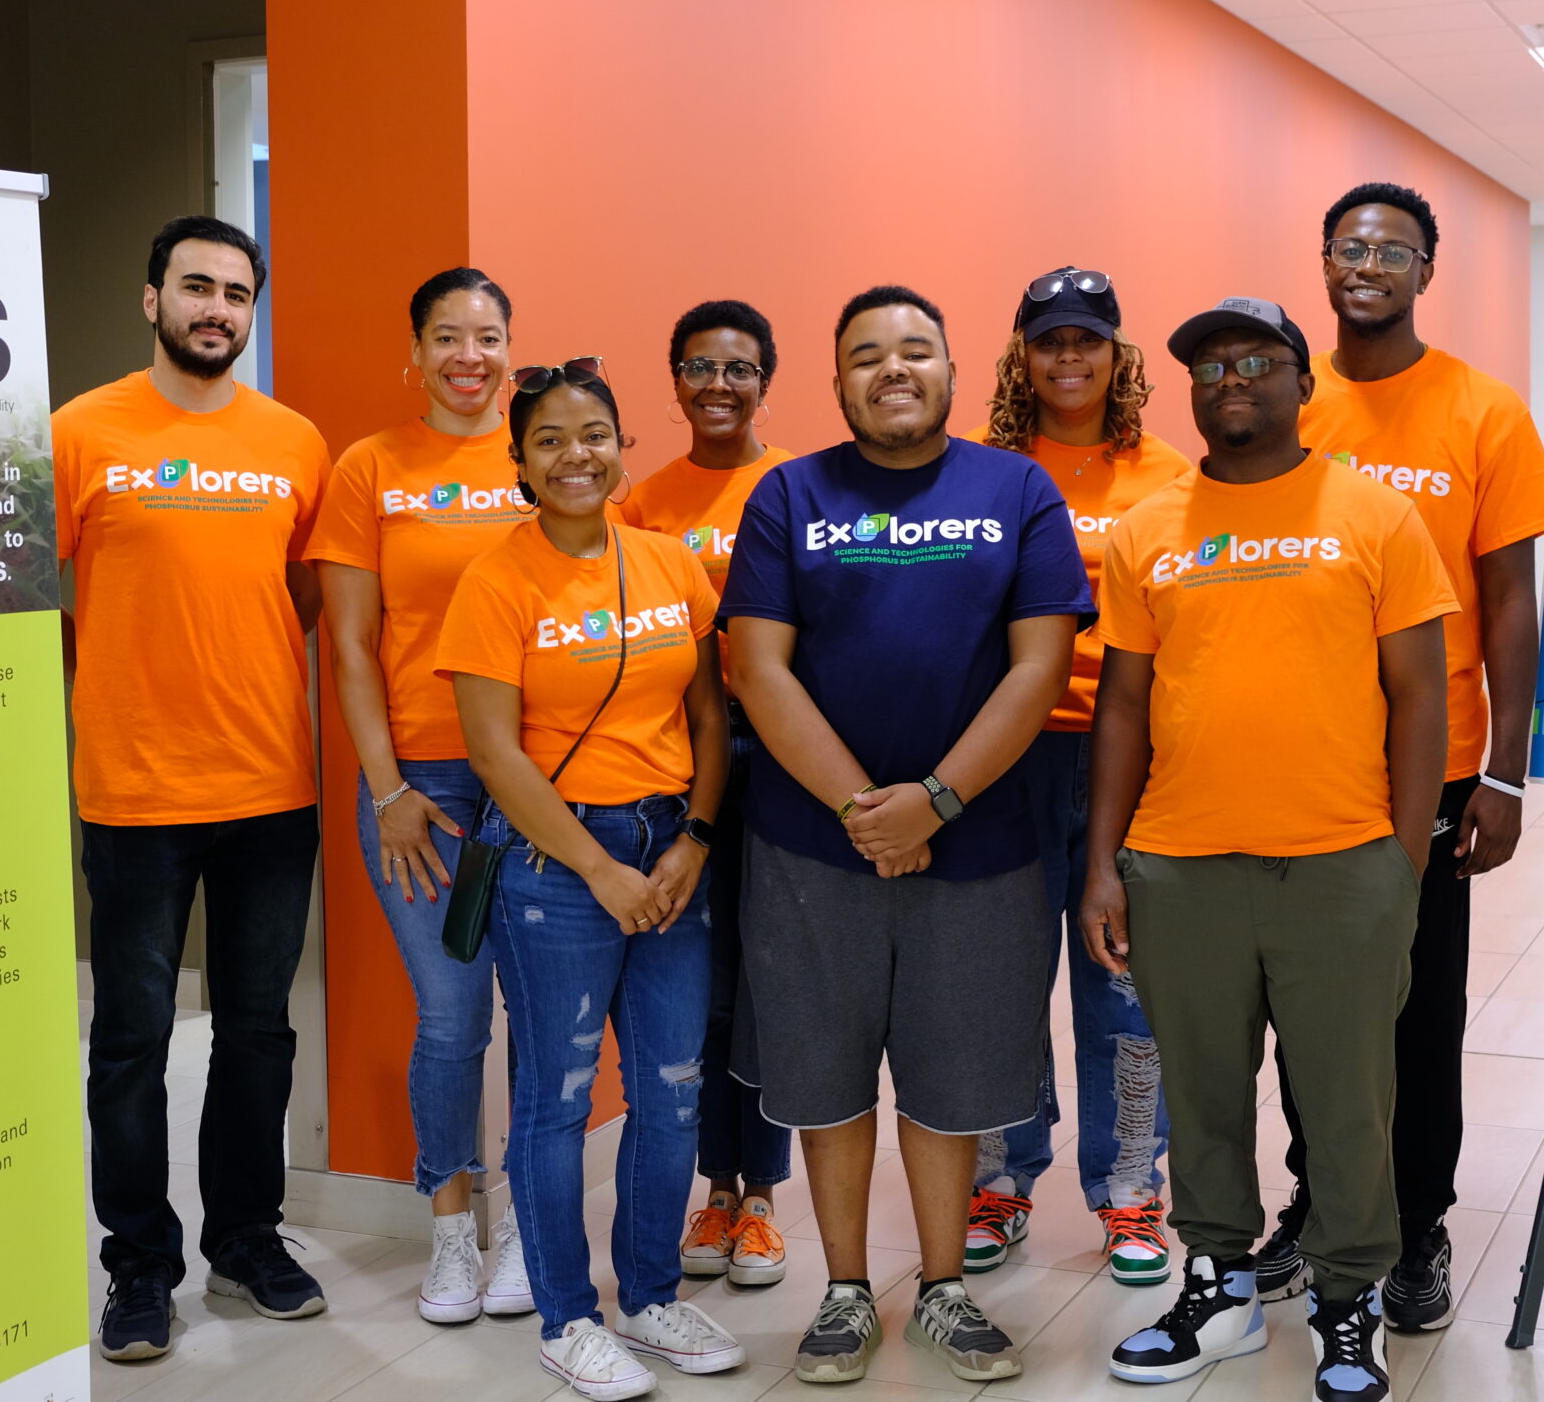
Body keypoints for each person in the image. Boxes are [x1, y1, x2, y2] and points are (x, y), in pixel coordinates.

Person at [1080, 296, 1455, 1400]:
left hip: (1342, 866)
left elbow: (1420, 694)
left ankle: (1348, 1296)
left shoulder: (1375, 513)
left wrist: (1400, 861)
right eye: (1210, 367)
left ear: (1302, 382)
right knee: (1202, 1095)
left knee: (1346, 1100)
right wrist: (1104, 865)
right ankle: (1218, 1287)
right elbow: (1122, 707)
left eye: (1255, 361)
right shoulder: (1150, 527)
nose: (1231, 379)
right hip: (1180, 865)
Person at [721, 286, 1091, 1387]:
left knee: (952, 1076)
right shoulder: (789, 494)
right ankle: (844, 1291)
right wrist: (863, 810)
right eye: (867, 354)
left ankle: (941, 1287)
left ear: (951, 371)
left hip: (979, 844)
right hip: (809, 846)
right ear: (837, 382)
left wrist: (933, 800)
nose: (893, 368)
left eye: (916, 350)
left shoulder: (1015, 490)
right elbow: (757, 668)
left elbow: (1041, 667)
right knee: (826, 1076)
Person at [1272, 185, 1544, 1331]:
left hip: (1429, 763)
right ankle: (1314, 1200)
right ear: (1323, 262)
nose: (1367, 264)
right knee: (1303, 999)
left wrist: (1505, 771)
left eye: (1392, 250)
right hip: (1300, 759)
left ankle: (1416, 1220)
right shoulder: (1289, 399)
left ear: (1424, 273)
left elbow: (1509, 601)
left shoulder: (1480, 411)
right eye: (1349, 246)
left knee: (1415, 1003)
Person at [53, 215, 334, 1361]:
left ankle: (246, 1241)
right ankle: (138, 1266)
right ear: (152, 298)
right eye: (196, 286)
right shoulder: (82, 431)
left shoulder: (295, 442)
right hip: (133, 792)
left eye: (236, 292)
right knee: (129, 1038)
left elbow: (300, 596)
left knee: (257, 1032)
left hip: (269, 784)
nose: (217, 308)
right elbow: (31, 596)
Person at [439, 359, 743, 1401]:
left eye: (596, 434)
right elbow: (494, 754)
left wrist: (694, 838)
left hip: (670, 845)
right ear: (520, 462)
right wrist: (600, 867)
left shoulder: (666, 561)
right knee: (558, 1099)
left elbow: (709, 714)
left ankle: (651, 1296)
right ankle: (568, 1318)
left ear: (622, 446)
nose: (578, 455)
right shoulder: (495, 581)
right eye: (551, 440)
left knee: (671, 1088)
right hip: (557, 866)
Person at [311, 267, 534, 1325]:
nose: (467, 357)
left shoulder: (542, 455)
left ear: (510, 349)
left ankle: (528, 1226)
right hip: (426, 788)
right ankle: (451, 1228)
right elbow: (351, 645)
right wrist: (387, 785)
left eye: (486, 336)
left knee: (543, 1013)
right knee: (452, 1017)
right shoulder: (371, 468)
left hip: (538, 778)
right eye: (447, 336)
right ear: (416, 351)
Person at [964, 269, 1190, 1286]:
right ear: (1022, 356)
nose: (1068, 358)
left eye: (1086, 340)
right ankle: (999, 1178)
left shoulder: (1169, 475)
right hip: (1006, 754)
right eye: (1048, 341)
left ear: (1116, 354)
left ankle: (1131, 1187)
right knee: (1000, 981)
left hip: (1128, 753)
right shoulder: (981, 470)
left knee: (1124, 980)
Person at [618, 301, 796, 1293]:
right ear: (675, 380)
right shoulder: (642, 504)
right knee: (703, 978)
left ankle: (762, 1196)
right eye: (699, 367)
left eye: (738, 368)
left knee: (769, 975)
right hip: (682, 756)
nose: (718, 385)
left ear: (765, 382)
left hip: (785, 755)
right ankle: (715, 1186)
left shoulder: (801, 487)